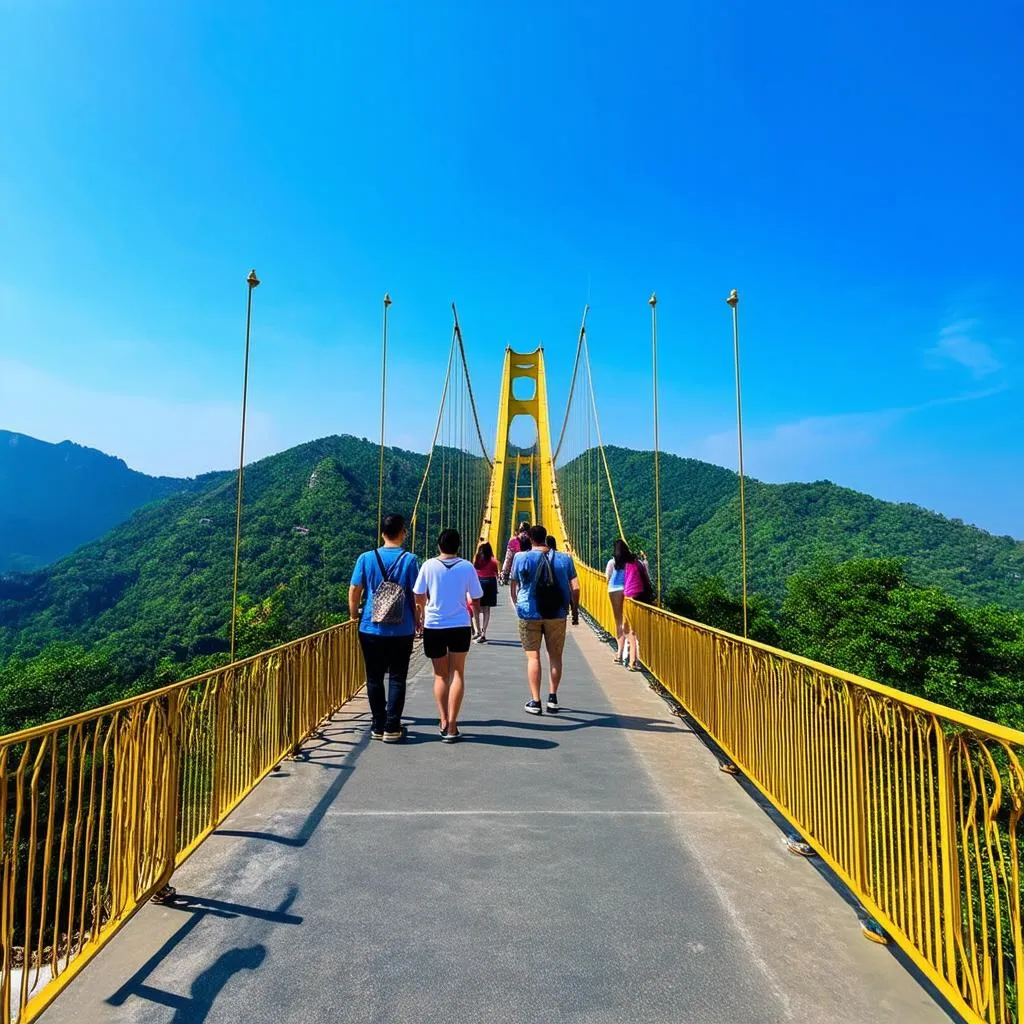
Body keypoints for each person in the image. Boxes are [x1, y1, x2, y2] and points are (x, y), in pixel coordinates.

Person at [349, 513, 421, 742]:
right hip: (402, 630)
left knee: (374, 677)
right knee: (398, 678)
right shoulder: (410, 560)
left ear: (382, 533)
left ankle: (378, 725)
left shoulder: (366, 558)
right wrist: (418, 620)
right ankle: (392, 727)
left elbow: (354, 589)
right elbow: (416, 595)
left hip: (370, 628)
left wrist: (354, 615)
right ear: (403, 533)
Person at [413, 528, 483, 743]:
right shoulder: (467, 566)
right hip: (460, 625)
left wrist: (420, 617)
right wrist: (476, 620)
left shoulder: (428, 565)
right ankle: (453, 725)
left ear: (438, 546)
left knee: (441, 675)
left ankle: (443, 721)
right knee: (458, 673)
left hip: (434, 625)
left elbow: (418, 595)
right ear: (458, 546)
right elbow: (477, 597)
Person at [510, 524, 580, 715]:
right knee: (555, 656)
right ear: (546, 537)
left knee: (533, 657)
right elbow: (575, 587)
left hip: (528, 613)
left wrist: (518, 604)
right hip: (557, 613)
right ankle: (553, 698)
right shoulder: (565, 559)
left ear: (530, 539)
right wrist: (574, 611)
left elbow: (514, 585)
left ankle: (535, 701)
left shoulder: (520, 557)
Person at [621, 542, 654, 671]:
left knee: (630, 632)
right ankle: (638, 661)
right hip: (642, 601)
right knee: (637, 632)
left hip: (630, 601)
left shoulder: (628, 567)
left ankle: (631, 661)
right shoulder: (640, 565)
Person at [606, 539, 628, 664]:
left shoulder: (611, 562)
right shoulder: (628, 563)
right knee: (626, 621)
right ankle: (623, 651)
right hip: (626, 590)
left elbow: (607, 577)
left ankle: (619, 653)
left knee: (618, 621)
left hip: (613, 590)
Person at [473, 542, 499, 643]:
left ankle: (477, 631)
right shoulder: (493, 561)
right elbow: (495, 573)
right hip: (490, 584)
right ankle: (484, 633)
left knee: (476, 608)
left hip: (479, 583)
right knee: (486, 610)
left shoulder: (476, 560)